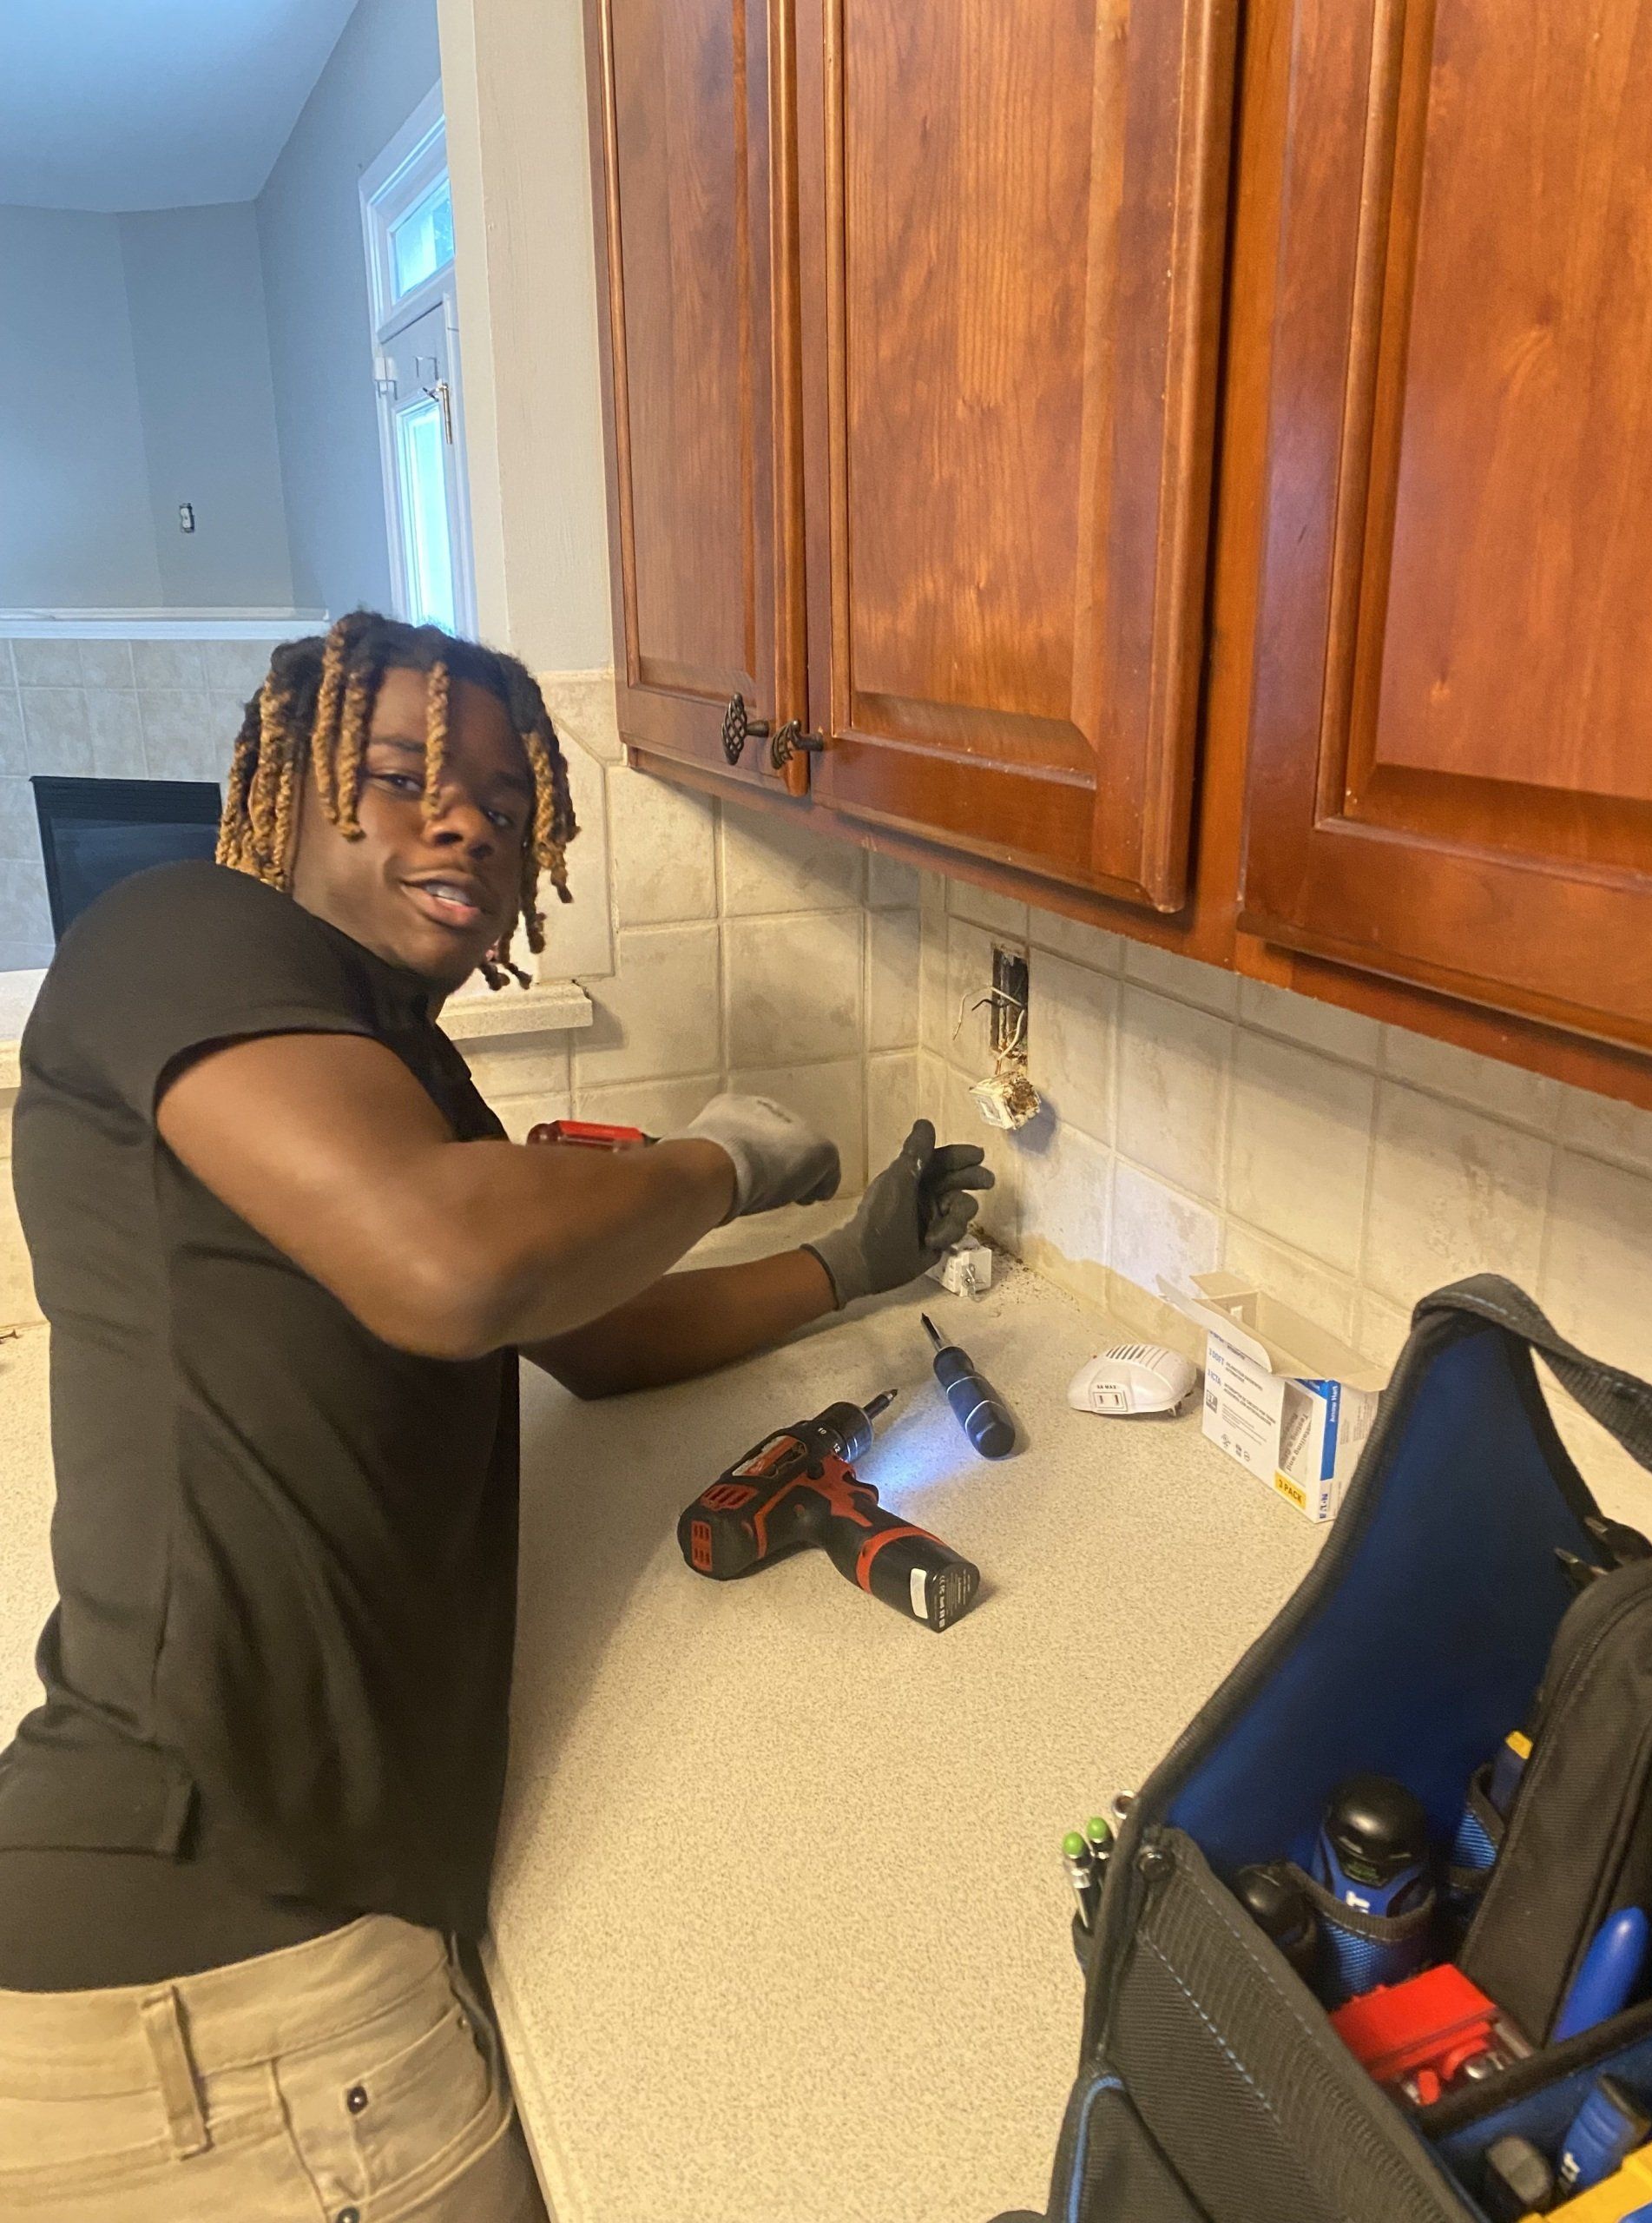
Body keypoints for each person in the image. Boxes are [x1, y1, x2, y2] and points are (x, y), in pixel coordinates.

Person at [0, 611, 991, 2218]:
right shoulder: (176, 932)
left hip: (248, 1949)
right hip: (215, 1984)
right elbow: (449, 1266)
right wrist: (717, 1162)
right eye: (399, 777)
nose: (461, 819)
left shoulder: (400, 1071)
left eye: (506, 806)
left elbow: (586, 1336)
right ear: (294, 794)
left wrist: (846, 1270)